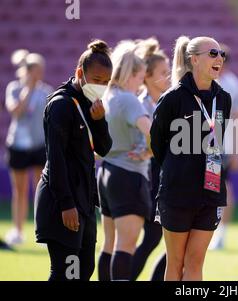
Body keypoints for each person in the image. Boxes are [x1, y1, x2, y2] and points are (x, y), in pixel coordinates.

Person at [150, 36, 231, 281]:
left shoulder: (224, 98)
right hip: (178, 191)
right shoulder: (173, 98)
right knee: (175, 263)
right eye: (213, 53)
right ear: (194, 59)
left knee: (195, 262)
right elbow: (157, 143)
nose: (219, 58)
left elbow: (216, 140)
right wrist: (179, 168)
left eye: (221, 54)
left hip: (211, 189)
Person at [34, 40, 113, 281]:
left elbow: (104, 148)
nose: (100, 86)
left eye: (105, 82)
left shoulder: (91, 103)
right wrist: (66, 204)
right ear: (80, 73)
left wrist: (100, 121)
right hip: (62, 201)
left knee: (84, 269)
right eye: (96, 80)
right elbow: (55, 158)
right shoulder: (61, 105)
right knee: (65, 273)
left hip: (84, 201)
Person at [97, 41, 152, 281]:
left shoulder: (107, 96)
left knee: (108, 245)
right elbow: (154, 132)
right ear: (130, 75)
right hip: (128, 174)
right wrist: (148, 152)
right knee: (125, 246)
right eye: (140, 77)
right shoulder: (129, 100)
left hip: (107, 172)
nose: (141, 83)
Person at [130, 37, 171, 281]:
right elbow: (139, 146)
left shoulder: (167, 102)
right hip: (144, 178)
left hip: (160, 176)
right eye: (163, 72)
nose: (169, 77)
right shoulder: (139, 105)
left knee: (157, 239)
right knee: (150, 239)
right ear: (147, 76)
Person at [5, 49, 52, 245]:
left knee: (41, 188)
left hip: (39, 145)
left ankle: (42, 229)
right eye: (36, 70)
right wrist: (29, 89)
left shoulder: (46, 91)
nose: (40, 74)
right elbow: (16, 112)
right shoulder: (14, 88)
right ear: (28, 70)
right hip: (17, 144)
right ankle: (17, 230)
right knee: (20, 190)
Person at [209, 43, 238, 250]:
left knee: (221, 187)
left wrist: (237, 151)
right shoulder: (209, 81)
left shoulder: (231, 85)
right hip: (205, 144)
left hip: (221, 146)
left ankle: (220, 233)